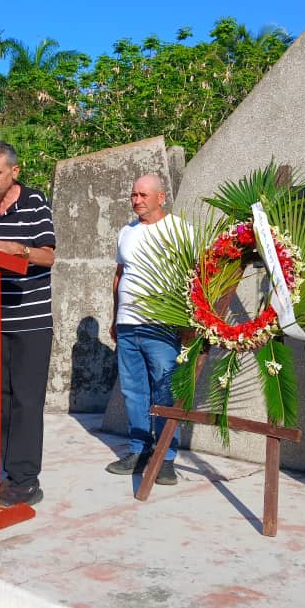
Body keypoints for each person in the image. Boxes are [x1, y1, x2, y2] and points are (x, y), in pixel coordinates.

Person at [0, 141, 56, 507]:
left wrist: (17, 249)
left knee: (26, 401)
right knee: (0, 402)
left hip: (32, 320)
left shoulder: (35, 203)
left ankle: (25, 480)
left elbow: (49, 256)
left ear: (14, 171)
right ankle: (5, 473)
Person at [106, 174, 187, 486]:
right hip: (128, 325)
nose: (136, 200)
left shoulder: (179, 231)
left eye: (142, 195)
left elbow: (192, 277)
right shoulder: (126, 232)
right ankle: (139, 451)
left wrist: (186, 323)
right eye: (133, 195)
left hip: (162, 327)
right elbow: (119, 275)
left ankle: (166, 457)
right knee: (133, 392)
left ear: (160, 197)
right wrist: (115, 317)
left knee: (165, 390)